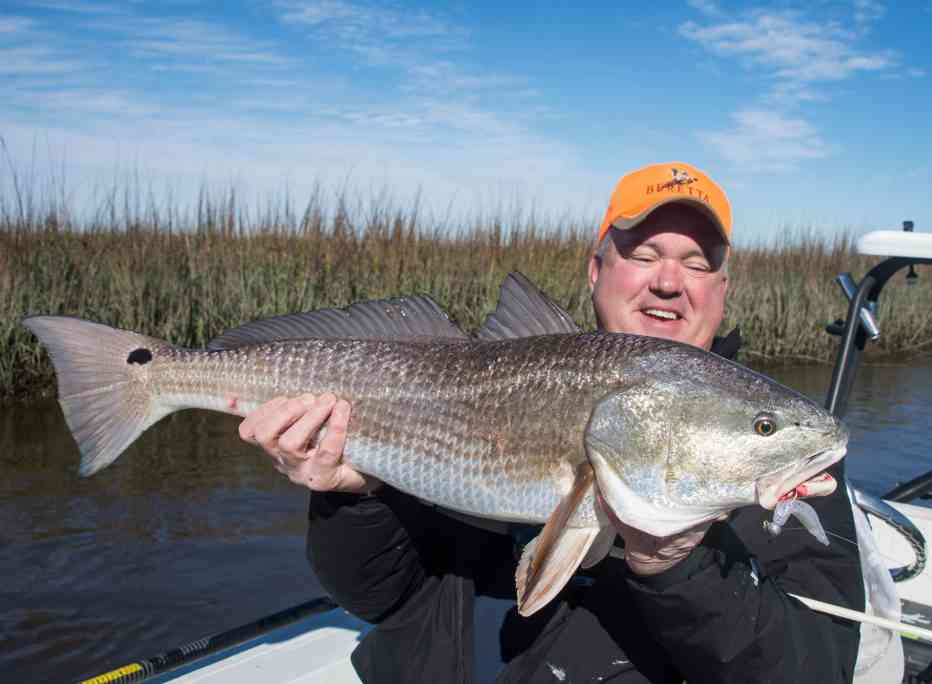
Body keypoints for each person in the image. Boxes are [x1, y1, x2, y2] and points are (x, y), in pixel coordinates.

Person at [238, 162, 865, 683]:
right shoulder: (513, 381)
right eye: (644, 253)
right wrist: (356, 496)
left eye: (698, 263)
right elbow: (383, 598)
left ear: (722, 290)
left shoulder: (790, 464)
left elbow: (817, 669)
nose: (669, 282)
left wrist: (678, 562)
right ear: (597, 271)